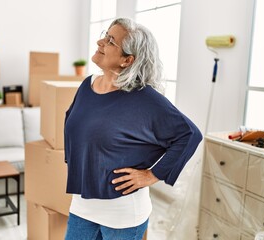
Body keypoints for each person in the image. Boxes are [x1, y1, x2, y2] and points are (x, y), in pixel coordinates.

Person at [64, 18, 202, 240]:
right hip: (82, 205)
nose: (100, 41)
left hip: (122, 214)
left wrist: (152, 174)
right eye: (105, 34)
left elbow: (189, 135)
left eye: (110, 41)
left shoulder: (144, 99)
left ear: (127, 60)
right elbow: (73, 124)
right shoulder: (87, 85)